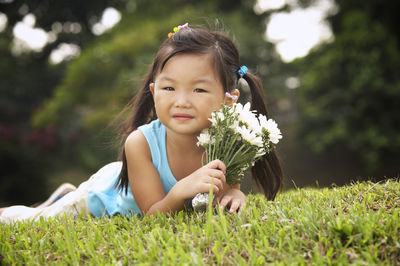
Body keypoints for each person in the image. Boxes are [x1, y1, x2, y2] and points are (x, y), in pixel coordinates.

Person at [0, 23, 283, 223]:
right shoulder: (140, 143)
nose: (181, 101)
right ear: (153, 92)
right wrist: (181, 190)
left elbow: (228, 186)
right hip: (100, 198)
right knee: (34, 221)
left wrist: (234, 193)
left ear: (228, 100)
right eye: (169, 88)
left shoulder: (229, 141)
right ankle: (26, 208)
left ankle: (61, 194)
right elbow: (152, 215)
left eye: (198, 90)